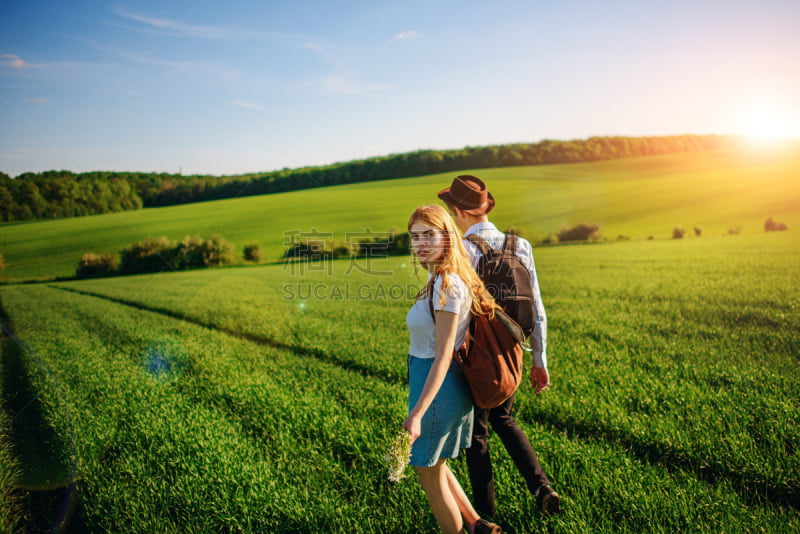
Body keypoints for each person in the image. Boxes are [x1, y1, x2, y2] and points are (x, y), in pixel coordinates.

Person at [437, 175, 561, 516]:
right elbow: (536, 306)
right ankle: (542, 487)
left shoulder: (463, 252)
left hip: (476, 355)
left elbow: (457, 313)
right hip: (512, 352)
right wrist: (541, 359)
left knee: (478, 438)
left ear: (459, 212)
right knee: (504, 419)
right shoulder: (520, 246)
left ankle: (486, 518)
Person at [403, 205, 502, 534]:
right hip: (430, 381)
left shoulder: (447, 285)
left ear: (447, 237)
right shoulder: (440, 278)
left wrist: (417, 413)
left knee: (427, 474)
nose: (420, 243)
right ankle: (476, 525)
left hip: (438, 385)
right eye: (414, 236)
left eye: (428, 235)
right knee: (437, 466)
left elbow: (444, 354)